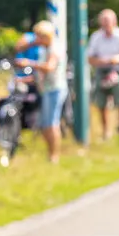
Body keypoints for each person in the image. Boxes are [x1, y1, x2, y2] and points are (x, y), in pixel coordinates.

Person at [85, 8, 119, 143]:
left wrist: (118, 59)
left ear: (114, 21)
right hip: (102, 71)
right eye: (103, 21)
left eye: (108, 21)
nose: (106, 24)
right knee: (101, 104)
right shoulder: (96, 37)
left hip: (118, 71)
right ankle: (106, 133)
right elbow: (90, 58)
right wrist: (103, 61)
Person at [27, 19, 69, 161]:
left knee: (51, 123)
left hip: (54, 89)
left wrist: (29, 63)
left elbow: (50, 67)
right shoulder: (46, 48)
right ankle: (51, 154)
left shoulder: (54, 48)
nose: (37, 39)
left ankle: (54, 156)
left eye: (38, 36)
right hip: (48, 89)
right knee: (47, 124)